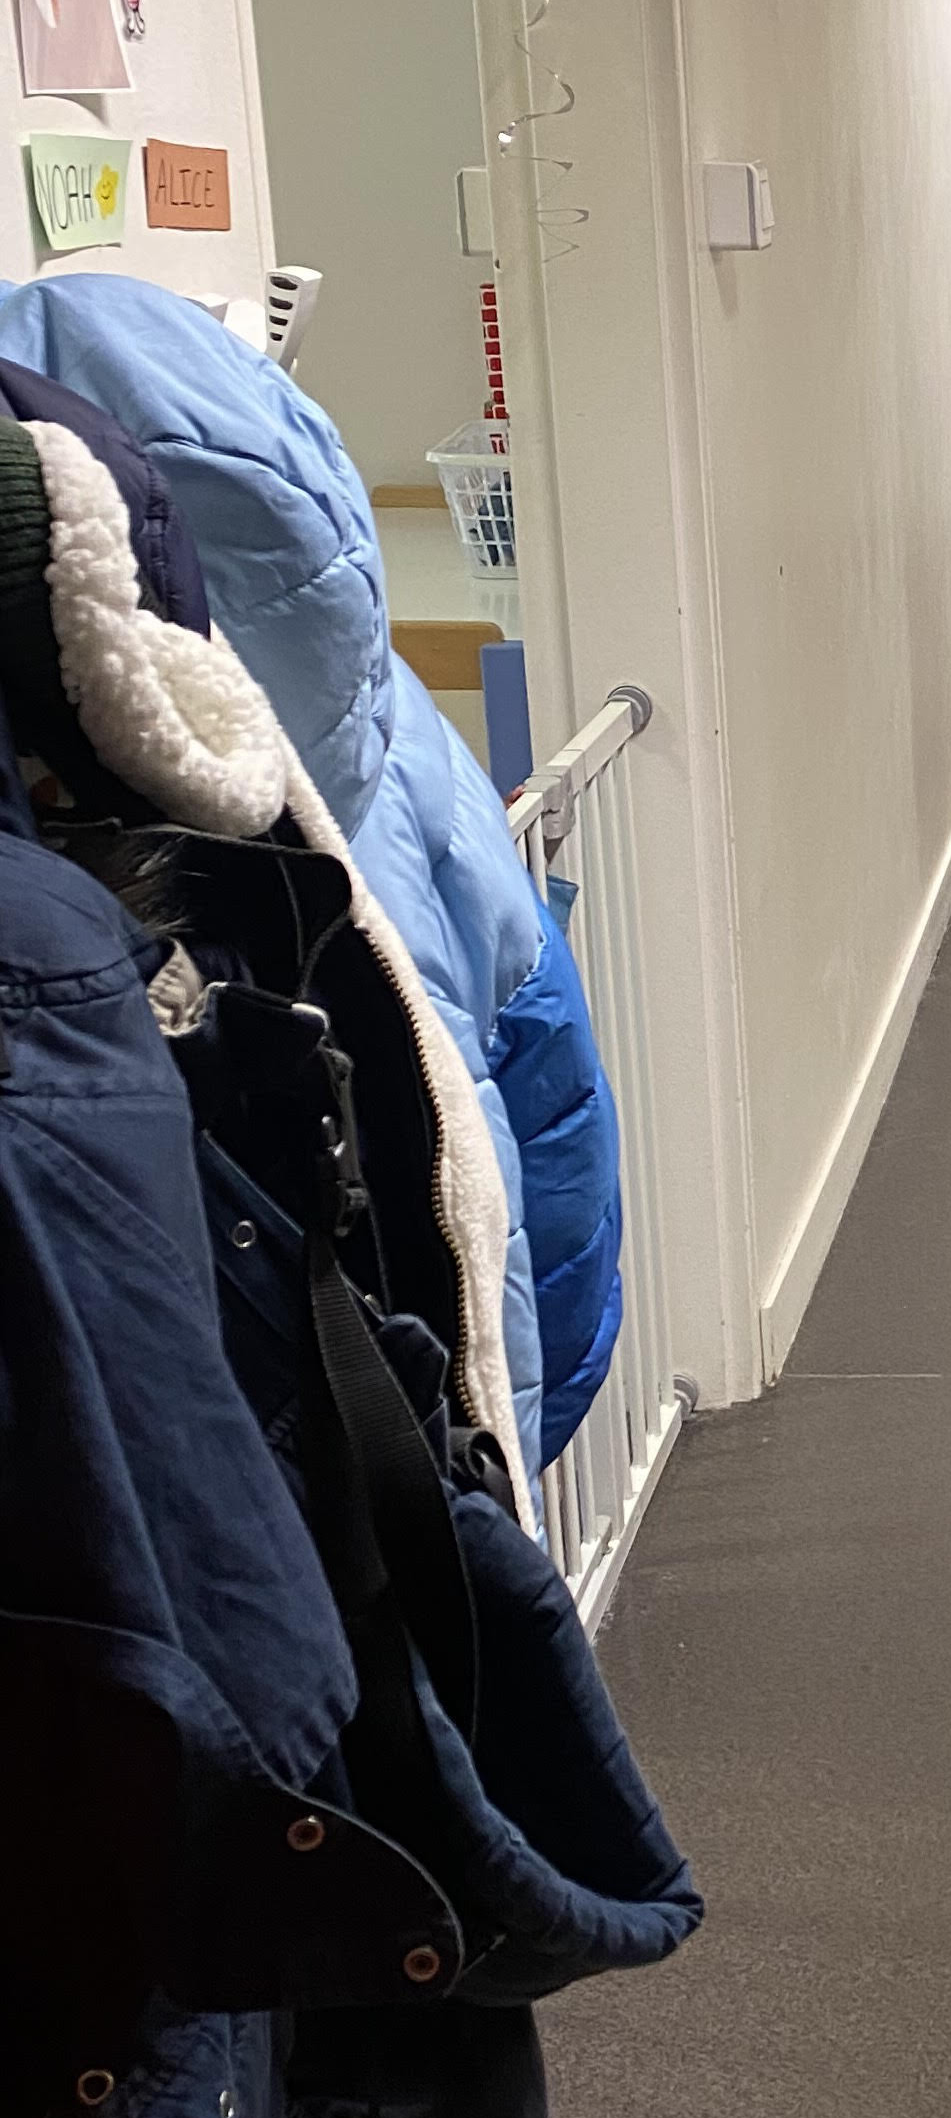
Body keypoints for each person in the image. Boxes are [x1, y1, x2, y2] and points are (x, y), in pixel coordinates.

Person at [0, 271, 621, 1476]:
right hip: (444, 1413)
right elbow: (554, 1111)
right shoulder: (413, 753)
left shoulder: (76, 851)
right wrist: (518, 1441)